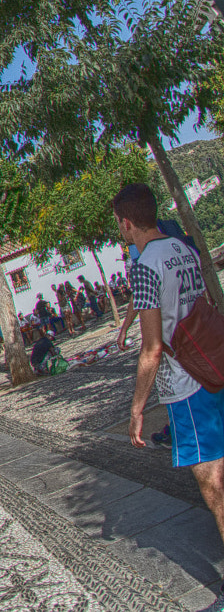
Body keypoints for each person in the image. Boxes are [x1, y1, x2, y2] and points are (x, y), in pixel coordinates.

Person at [117, 182, 224, 595]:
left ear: (127, 223)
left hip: (187, 383)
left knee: (213, 485)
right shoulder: (183, 248)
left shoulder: (145, 265)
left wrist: (138, 407)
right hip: (213, 362)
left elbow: (153, 348)